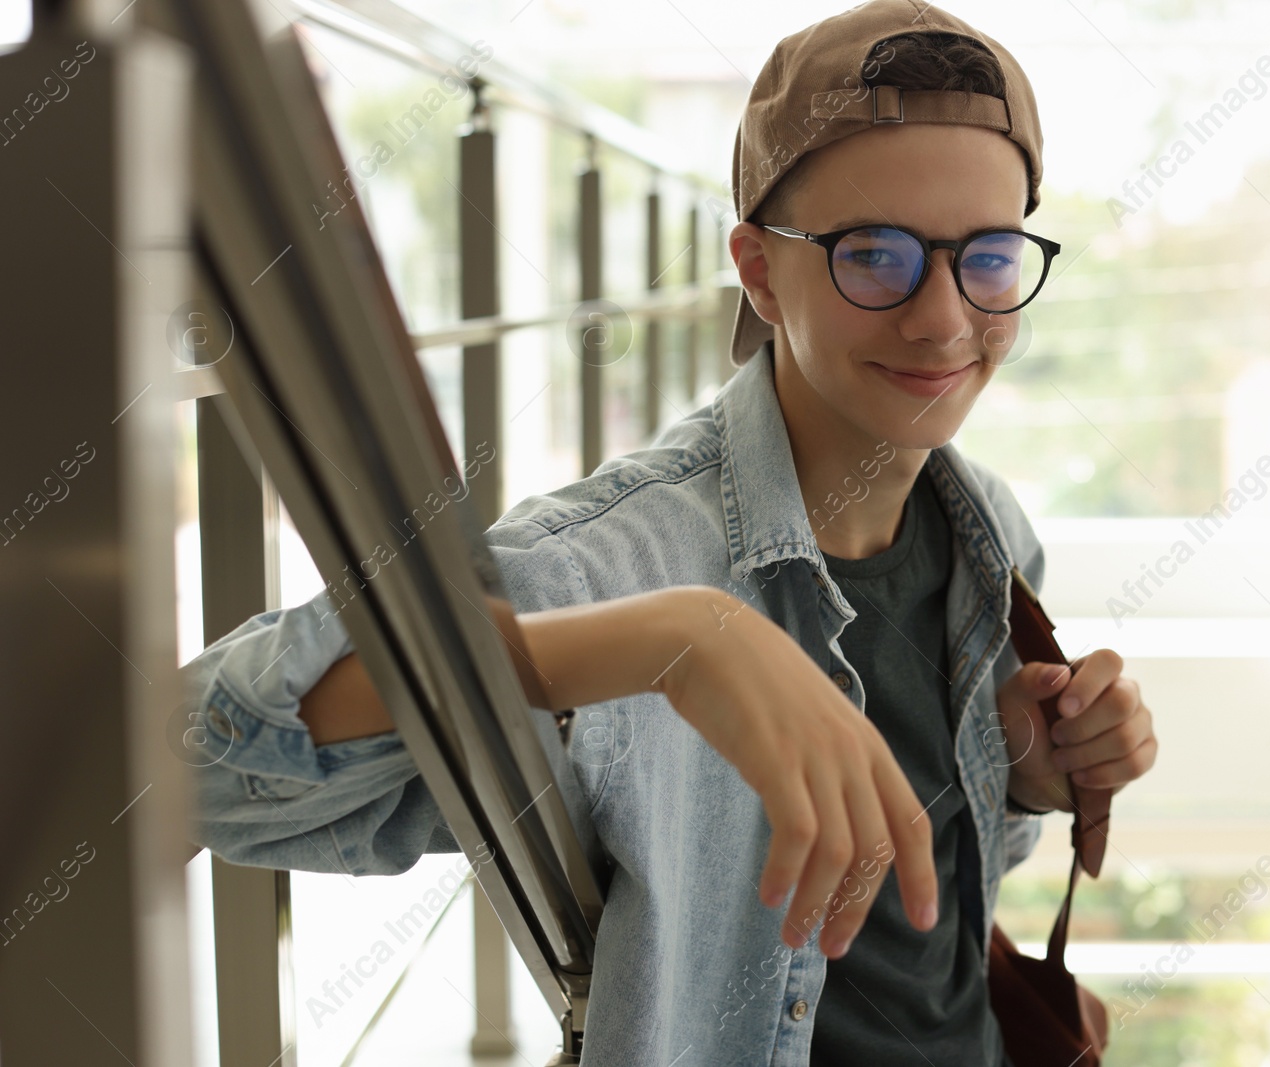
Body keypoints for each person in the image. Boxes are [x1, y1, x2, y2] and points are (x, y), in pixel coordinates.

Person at [185, 2, 1158, 1064]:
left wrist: (1019, 768)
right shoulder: (621, 562)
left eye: (987, 255)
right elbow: (189, 761)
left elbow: (928, 919)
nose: (941, 319)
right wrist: (671, 643)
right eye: (873, 255)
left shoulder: (989, 535)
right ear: (756, 269)